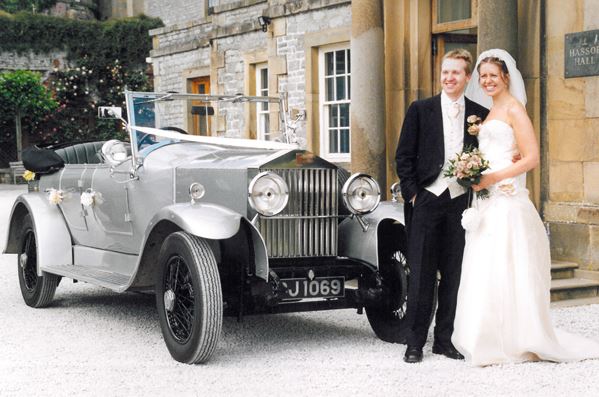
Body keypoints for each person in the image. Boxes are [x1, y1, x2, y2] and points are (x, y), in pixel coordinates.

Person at [452, 48, 599, 366]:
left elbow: (532, 157)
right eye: (483, 76)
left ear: (506, 77)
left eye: (493, 75)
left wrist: (492, 177)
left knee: (510, 264)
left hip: (506, 195)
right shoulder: (488, 114)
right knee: (486, 264)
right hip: (486, 198)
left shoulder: (515, 109)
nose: (488, 81)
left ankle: (519, 339)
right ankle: (487, 338)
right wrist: (471, 170)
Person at [395, 49, 489, 363]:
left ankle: (444, 340)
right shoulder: (420, 109)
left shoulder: (479, 114)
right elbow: (403, 157)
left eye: (456, 73)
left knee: (453, 273)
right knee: (421, 274)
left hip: (460, 204)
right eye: (445, 72)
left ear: (466, 77)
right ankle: (414, 342)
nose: (449, 78)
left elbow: (484, 159)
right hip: (426, 201)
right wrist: (413, 194)